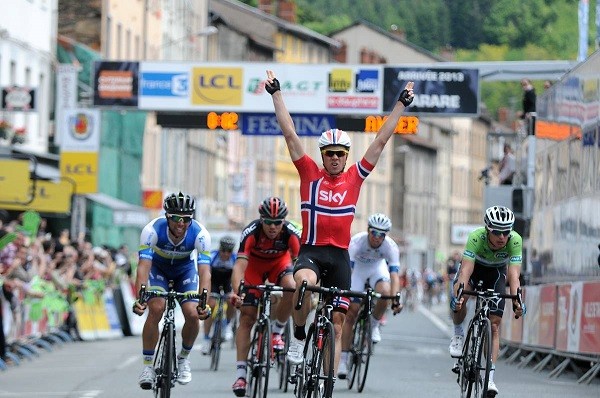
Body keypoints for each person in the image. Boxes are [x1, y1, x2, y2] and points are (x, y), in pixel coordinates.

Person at [265, 69, 414, 378]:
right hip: (312, 251)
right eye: (329, 153)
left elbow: (381, 140)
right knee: (303, 284)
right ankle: (298, 333)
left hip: (340, 258)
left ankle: (328, 379)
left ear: (346, 156)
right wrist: (277, 94)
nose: (334, 158)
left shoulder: (355, 177)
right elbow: (290, 134)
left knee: (337, 323)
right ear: (322, 155)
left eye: (340, 154)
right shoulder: (309, 173)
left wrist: (400, 104)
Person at [132, 192, 212, 390]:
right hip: (158, 270)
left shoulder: (201, 234)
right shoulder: (152, 230)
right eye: (176, 218)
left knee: (193, 314)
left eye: (186, 219)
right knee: (157, 308)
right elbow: (143, 267)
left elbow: (204, 272)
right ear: (167, 216)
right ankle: (148, 366)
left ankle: (183, 359)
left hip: (184, 272)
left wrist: (204, 302)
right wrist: (140, 298)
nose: (181, 223)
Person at [449, 206, 525, 397]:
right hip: (475, 269)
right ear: (487, 229)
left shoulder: (515, 240)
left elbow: (514, 276)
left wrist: (517, 301)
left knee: (494, 326)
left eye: (506, 231)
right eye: (497, 232)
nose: (502, 237)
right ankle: (458, 333)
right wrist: (458, 296)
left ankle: (490, 378)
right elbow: (465, 271)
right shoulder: (476, 237)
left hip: (496, 273)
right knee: (462, 297)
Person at [229, 196, 300, 397]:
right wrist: (237, 292)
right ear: (261, 220)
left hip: (280, 264)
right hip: (254, 267)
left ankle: (277, 331)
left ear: (283, 222)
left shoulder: (291, 233)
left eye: (277, 223)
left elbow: (301, 265)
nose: (272, 227)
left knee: (292, 288)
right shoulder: (251, 232)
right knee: (247, 317)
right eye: (268, 222)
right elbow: (239, 266)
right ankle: (241, 375)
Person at [338, 213, 402, 379]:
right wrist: (346, 292)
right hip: (357, 271)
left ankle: (374, 324)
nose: (377, 237)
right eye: (374, 233)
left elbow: (394, 275)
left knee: (386, 293)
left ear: (385, 236)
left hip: (376, 269)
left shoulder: (390, 247)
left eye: (381, 235)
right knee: (351, 311)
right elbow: (349, 270)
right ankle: (344, 360)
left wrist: (396, 298)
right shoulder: (356, 242)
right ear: (368, 231)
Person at [201, 235, 238, 354]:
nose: (226, 254)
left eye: (229, 251)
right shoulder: (212, 256)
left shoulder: (235, 259)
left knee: (231, 300)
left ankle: (227, 325)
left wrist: (234, 292)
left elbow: (237, 277)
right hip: (214, 281)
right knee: (210, 305)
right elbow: (205, 274)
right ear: (219, 248)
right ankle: (206, 339)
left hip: (228, 282)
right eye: (223, 250)